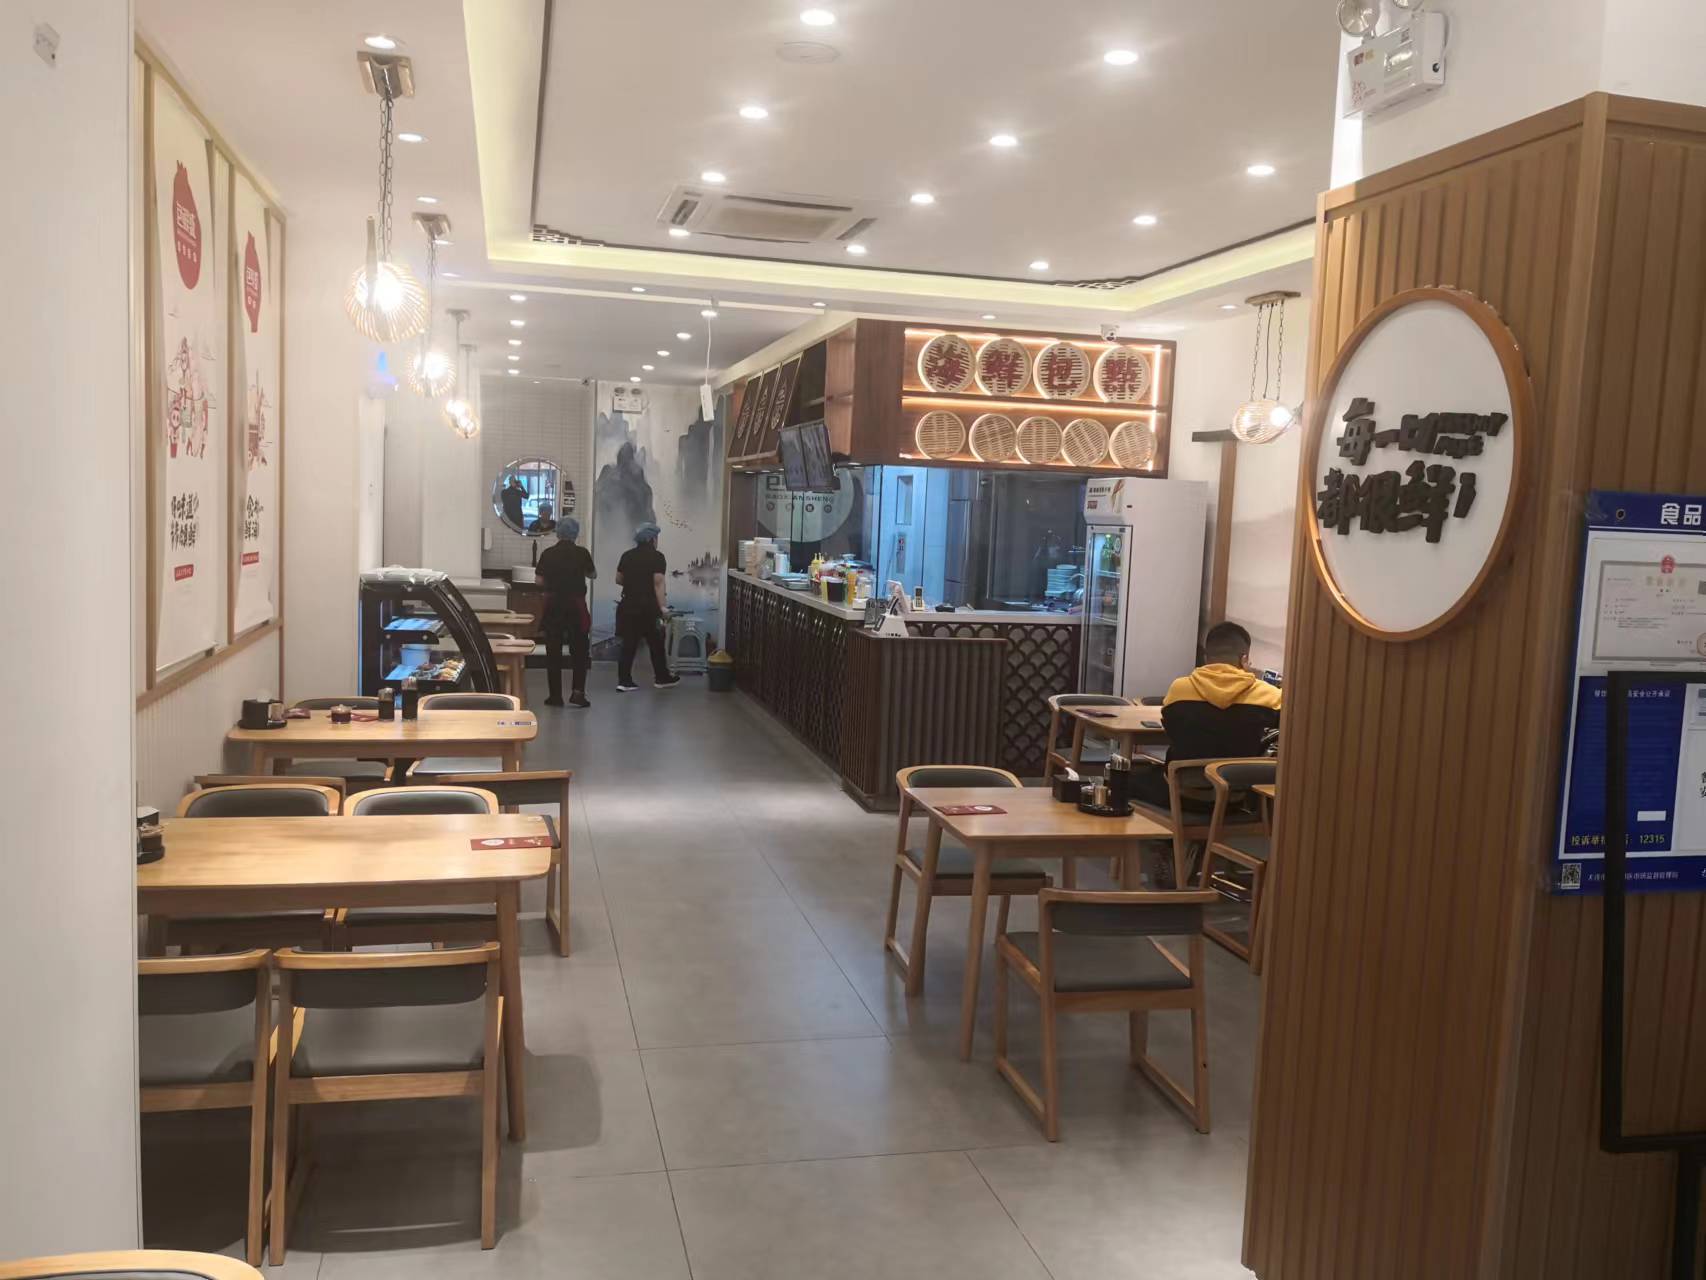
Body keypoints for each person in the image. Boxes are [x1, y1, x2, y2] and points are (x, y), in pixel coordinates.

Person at [1129, 620, 1282, 811]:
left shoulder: (1180, 689)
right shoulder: (1269, 695)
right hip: (1236, 800)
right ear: (1245, 659)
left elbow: (1171, 729)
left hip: (1180, 797)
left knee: (1127, 779)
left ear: (1206, 658)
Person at [535, 517, 595, 708]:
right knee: (579, 651)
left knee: (553, 651)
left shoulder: (548, 553)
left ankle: (555, 696)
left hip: (554, 606)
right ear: (575, 534)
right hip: (576, 606)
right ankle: (578, 693)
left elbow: (538, 581)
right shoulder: (582, 553)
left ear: (558, 533)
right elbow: (592, 574)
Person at [614, 523, 680, 692]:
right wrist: (663, 607)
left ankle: (624, 681)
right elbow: (658, 583)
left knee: (628, 644)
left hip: (629, 605)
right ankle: (662, 678)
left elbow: (618, 579)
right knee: (656, 643)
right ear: (652, 539)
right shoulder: (657, 557)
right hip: (649, 608)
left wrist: (633, 582)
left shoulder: (627, 555)